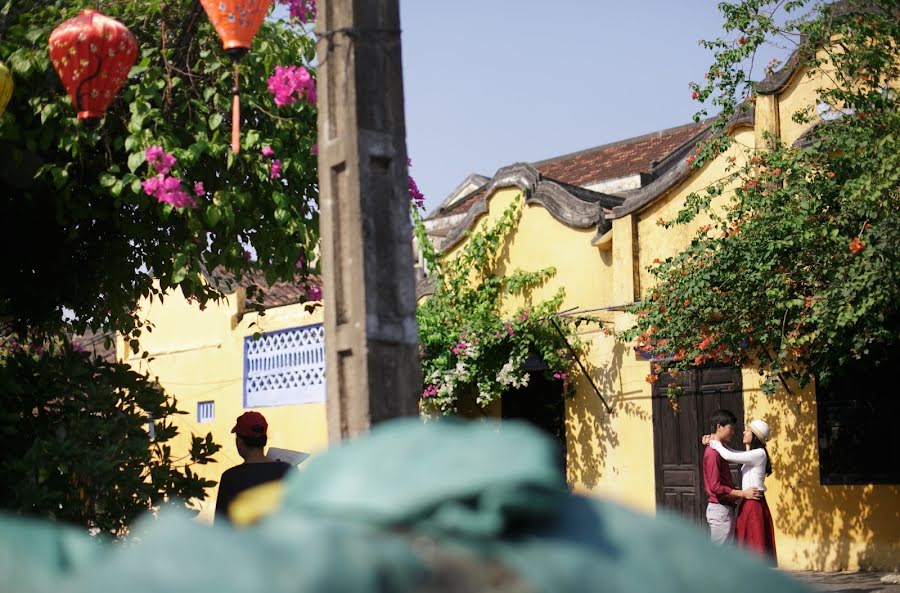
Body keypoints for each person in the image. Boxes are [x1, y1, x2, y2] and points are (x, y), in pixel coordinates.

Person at [704, 419, 777, 561]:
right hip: (749, 500)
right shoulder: (755, 453)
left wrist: (713, 443)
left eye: (748, 430)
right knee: (748, 545)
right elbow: (731, 451)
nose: (744, 432)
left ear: (755, 435)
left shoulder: (759, 453)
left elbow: (729, 456)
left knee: (753, 546)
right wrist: (715, 440)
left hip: (753, 503)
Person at [214, 411, 292, 523]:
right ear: (264, 441)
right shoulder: (286, 470)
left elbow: (221, 526)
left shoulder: (230, 477)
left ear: (239, 442)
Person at [703, 409, 761, 545]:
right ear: (719, 427)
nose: (733, 432)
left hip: (723, 508)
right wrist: (743, 493)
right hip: (719, 509)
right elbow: (715, 487)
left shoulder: (719, 450)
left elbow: (731, 453)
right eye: (731, 428)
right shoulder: (713, 453)